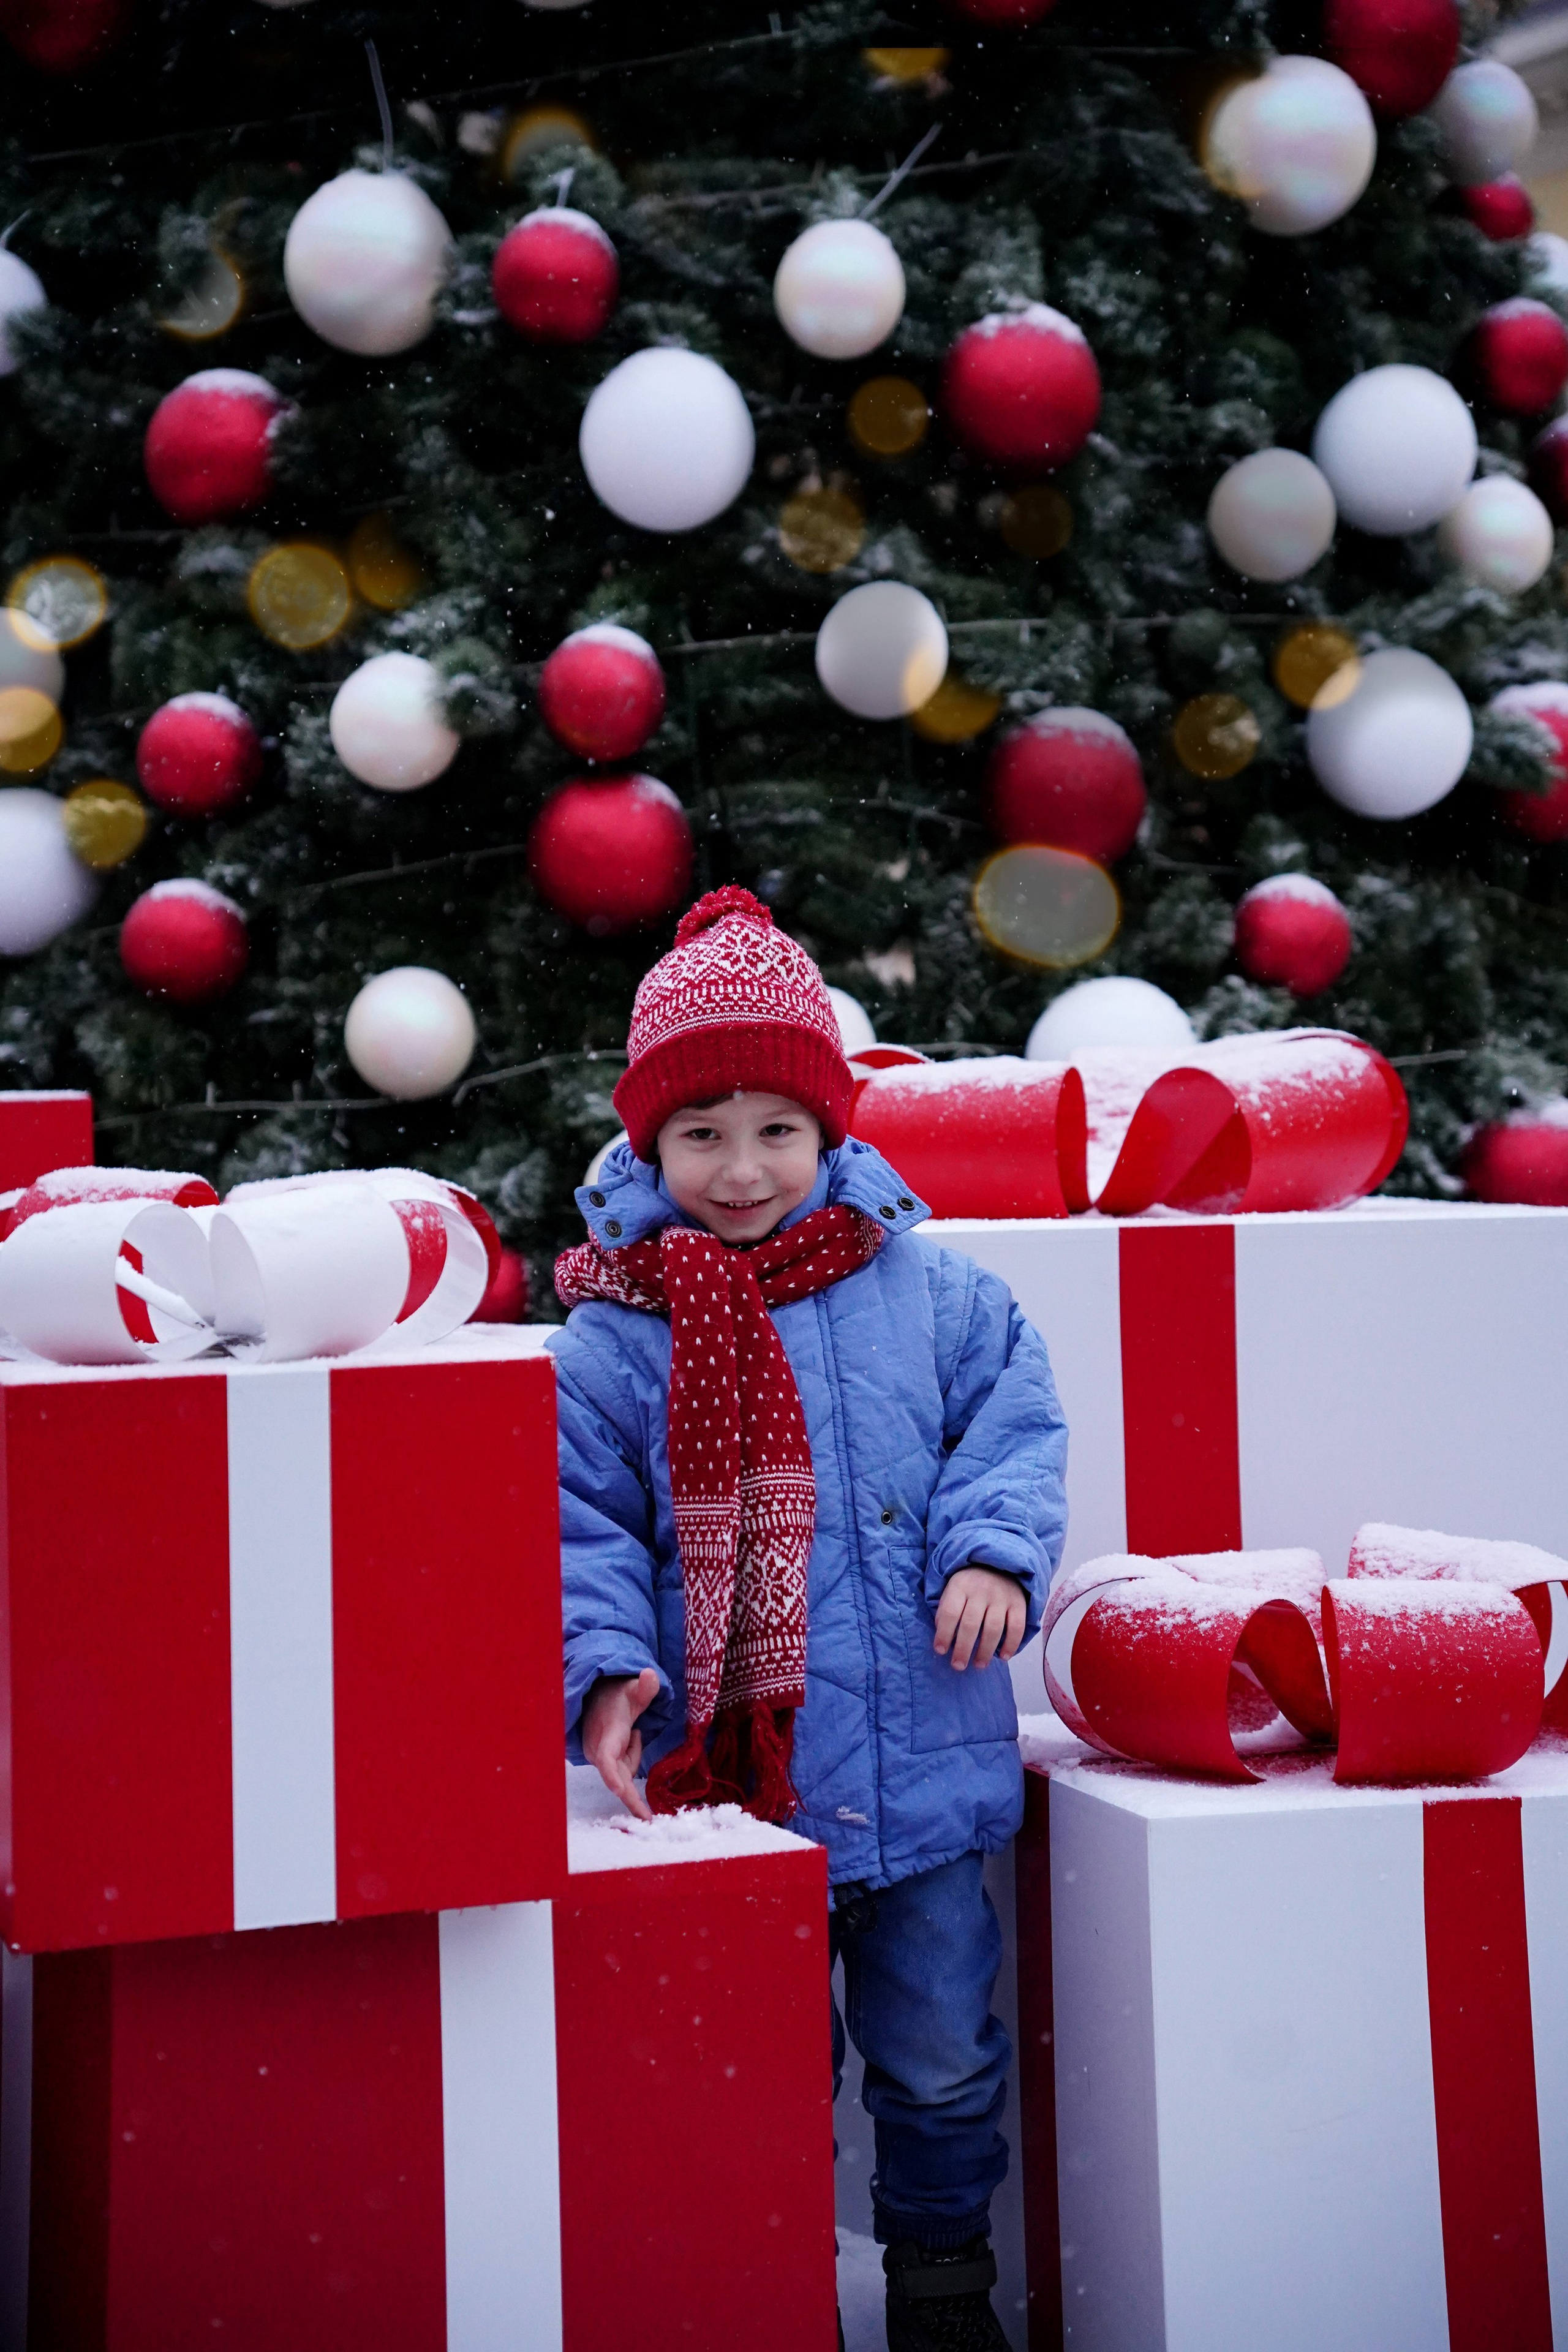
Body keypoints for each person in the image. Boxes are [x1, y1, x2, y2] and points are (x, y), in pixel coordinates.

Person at [551, 886, 1068, 2352]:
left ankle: (941, 2283)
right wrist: (604, 1670)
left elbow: (1012, 1424)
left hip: (915, 1762)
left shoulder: (934, 1289)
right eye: (699, 1132)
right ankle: (771, 2283)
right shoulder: (614, 1327)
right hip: (728, 1784)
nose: (740, 1167)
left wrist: (991, 1553)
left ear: (832, 1133)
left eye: (777, 1128)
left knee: (938, 2056)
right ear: (646, 1142)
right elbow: (579, 1525)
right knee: (755, 2061)